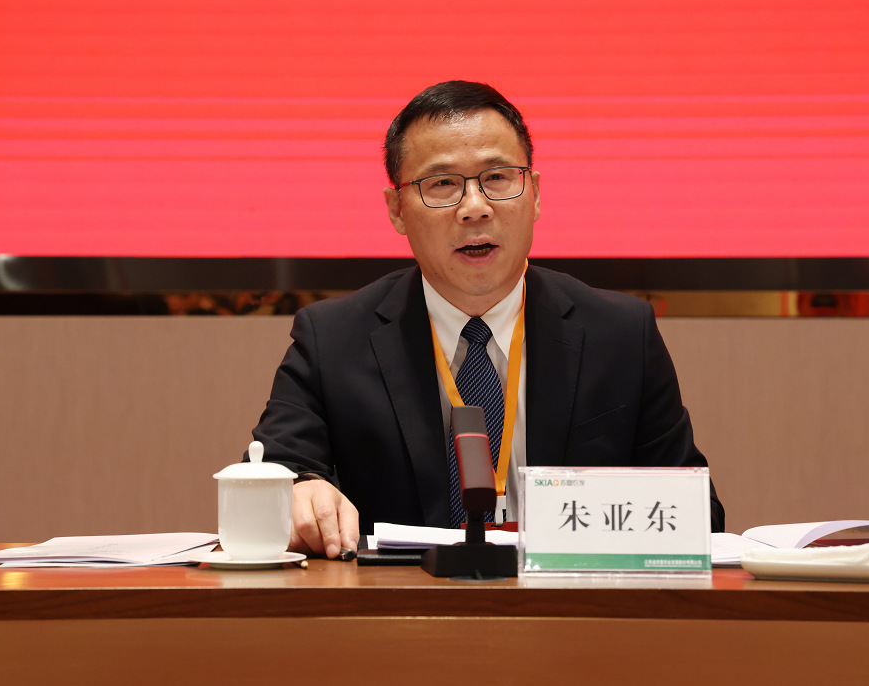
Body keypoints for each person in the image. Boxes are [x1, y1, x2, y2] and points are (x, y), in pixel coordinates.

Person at [251, 80, 725, 559]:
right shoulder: (332, 338)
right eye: (442, 184)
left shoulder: (620, 334)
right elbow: (271, 477)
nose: (474, 208)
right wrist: (298, 490)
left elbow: (698, 517)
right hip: (402, 601)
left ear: (534, 194)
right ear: (397, 210)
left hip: (567, 599)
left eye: (497, 177)